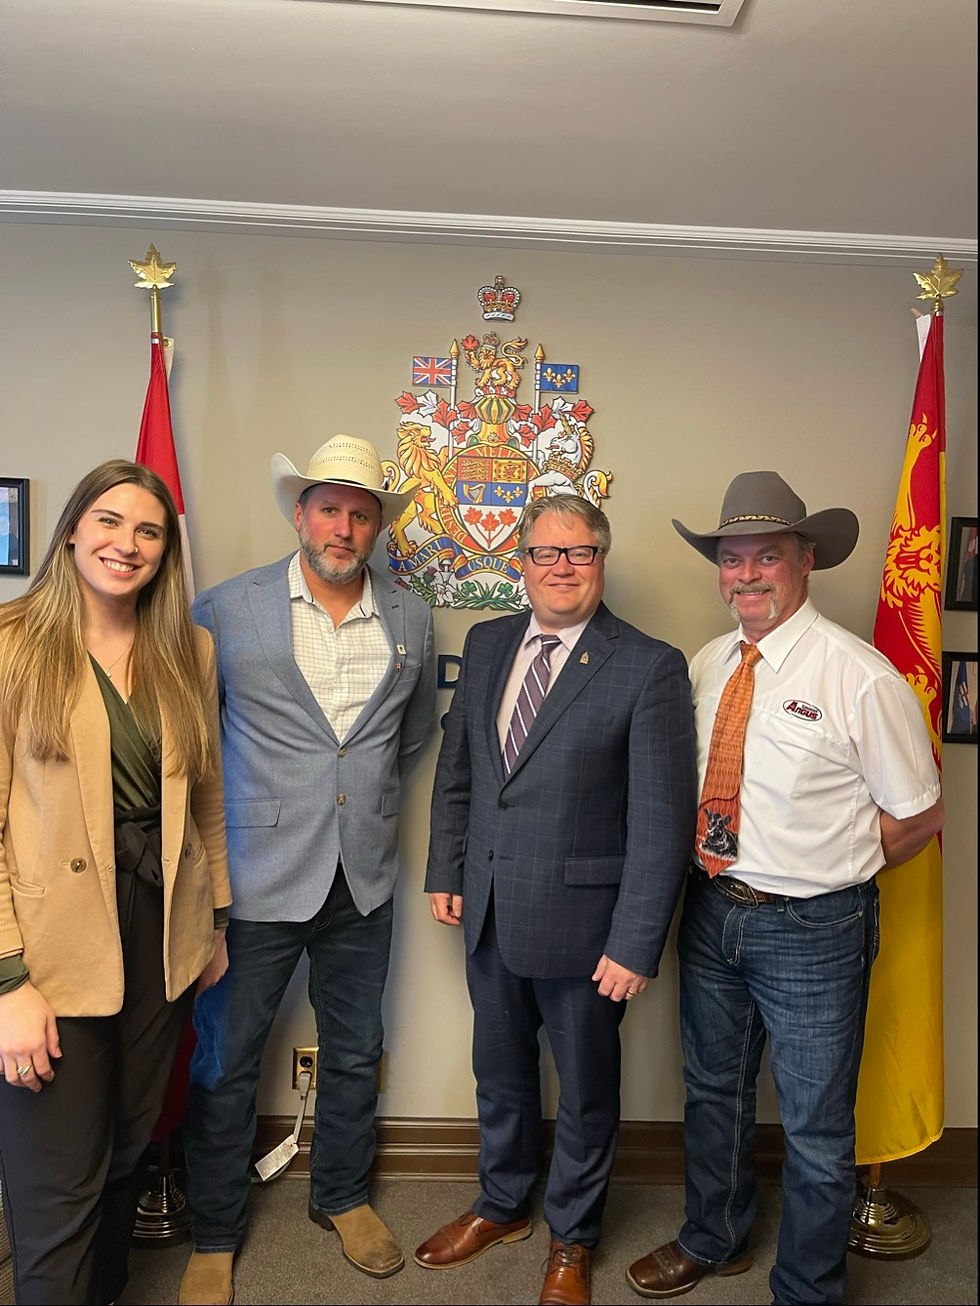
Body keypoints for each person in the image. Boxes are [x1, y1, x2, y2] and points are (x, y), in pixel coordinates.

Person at [626, 471, 944, 1306]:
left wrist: (827, 865)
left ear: (806, 561)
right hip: (712, 912)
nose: (747, 575)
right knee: (713, 1094)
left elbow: (916, 817)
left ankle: (807, 1288)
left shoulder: (860, 676)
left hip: (814, 929)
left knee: (813, 1126)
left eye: (767, 555)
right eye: (732, 559)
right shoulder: (706, 664)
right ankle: (715, 1237)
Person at [415, 495, 697, 1306]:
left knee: (585, 1093)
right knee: (498, 1075)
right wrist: (447, 868)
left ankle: (571, 1238)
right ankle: (502, 1205)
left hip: (588, 930)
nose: (562, 568)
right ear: (521, 561)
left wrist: (637, 942)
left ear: (601, 561)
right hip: (490, 909)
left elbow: (659, 820)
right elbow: (461, 771)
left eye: (580, 553)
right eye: (546, 553)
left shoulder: (647, 664)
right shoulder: (488, 640)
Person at [179, 434, 436, 1306]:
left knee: (357, 1049)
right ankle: (213, 1231)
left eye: (361, 513)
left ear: (376, 528)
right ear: (299, 514)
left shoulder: (409, 616)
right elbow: (197, 741)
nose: (344, 525)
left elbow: (407, 741)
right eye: (329, 507)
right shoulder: (225, 607)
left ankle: (343, 1196)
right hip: (252, 879)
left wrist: (349, 806)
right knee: (225, 1055)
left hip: (361, 876)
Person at [0, 459, 230, 1306]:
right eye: (107, 521)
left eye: (148, 531)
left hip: (162, 926)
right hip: (47, 944)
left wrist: (214, 923)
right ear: (69, 531)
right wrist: (6, 983)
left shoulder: (188, 649)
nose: (125, 544)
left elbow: (202, 797)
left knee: (127, 1152)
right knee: (56, 1182)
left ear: (167, 552)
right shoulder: (11, 643)